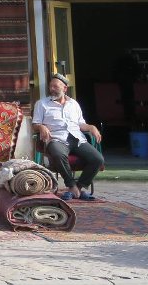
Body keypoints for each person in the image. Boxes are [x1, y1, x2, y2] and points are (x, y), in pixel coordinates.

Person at [33, 72, 104, 201]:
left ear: (65, 88)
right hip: (56, 138)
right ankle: (71, 185)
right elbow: (35, 124)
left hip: (77, 138)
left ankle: (79, 187)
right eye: (51, 87)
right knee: (59, 154)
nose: (52, 89)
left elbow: (81, 124)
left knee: (97, 159)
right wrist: (41, 127)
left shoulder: (74, 104)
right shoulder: (42, 104)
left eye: (55, 86)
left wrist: (91, 127)